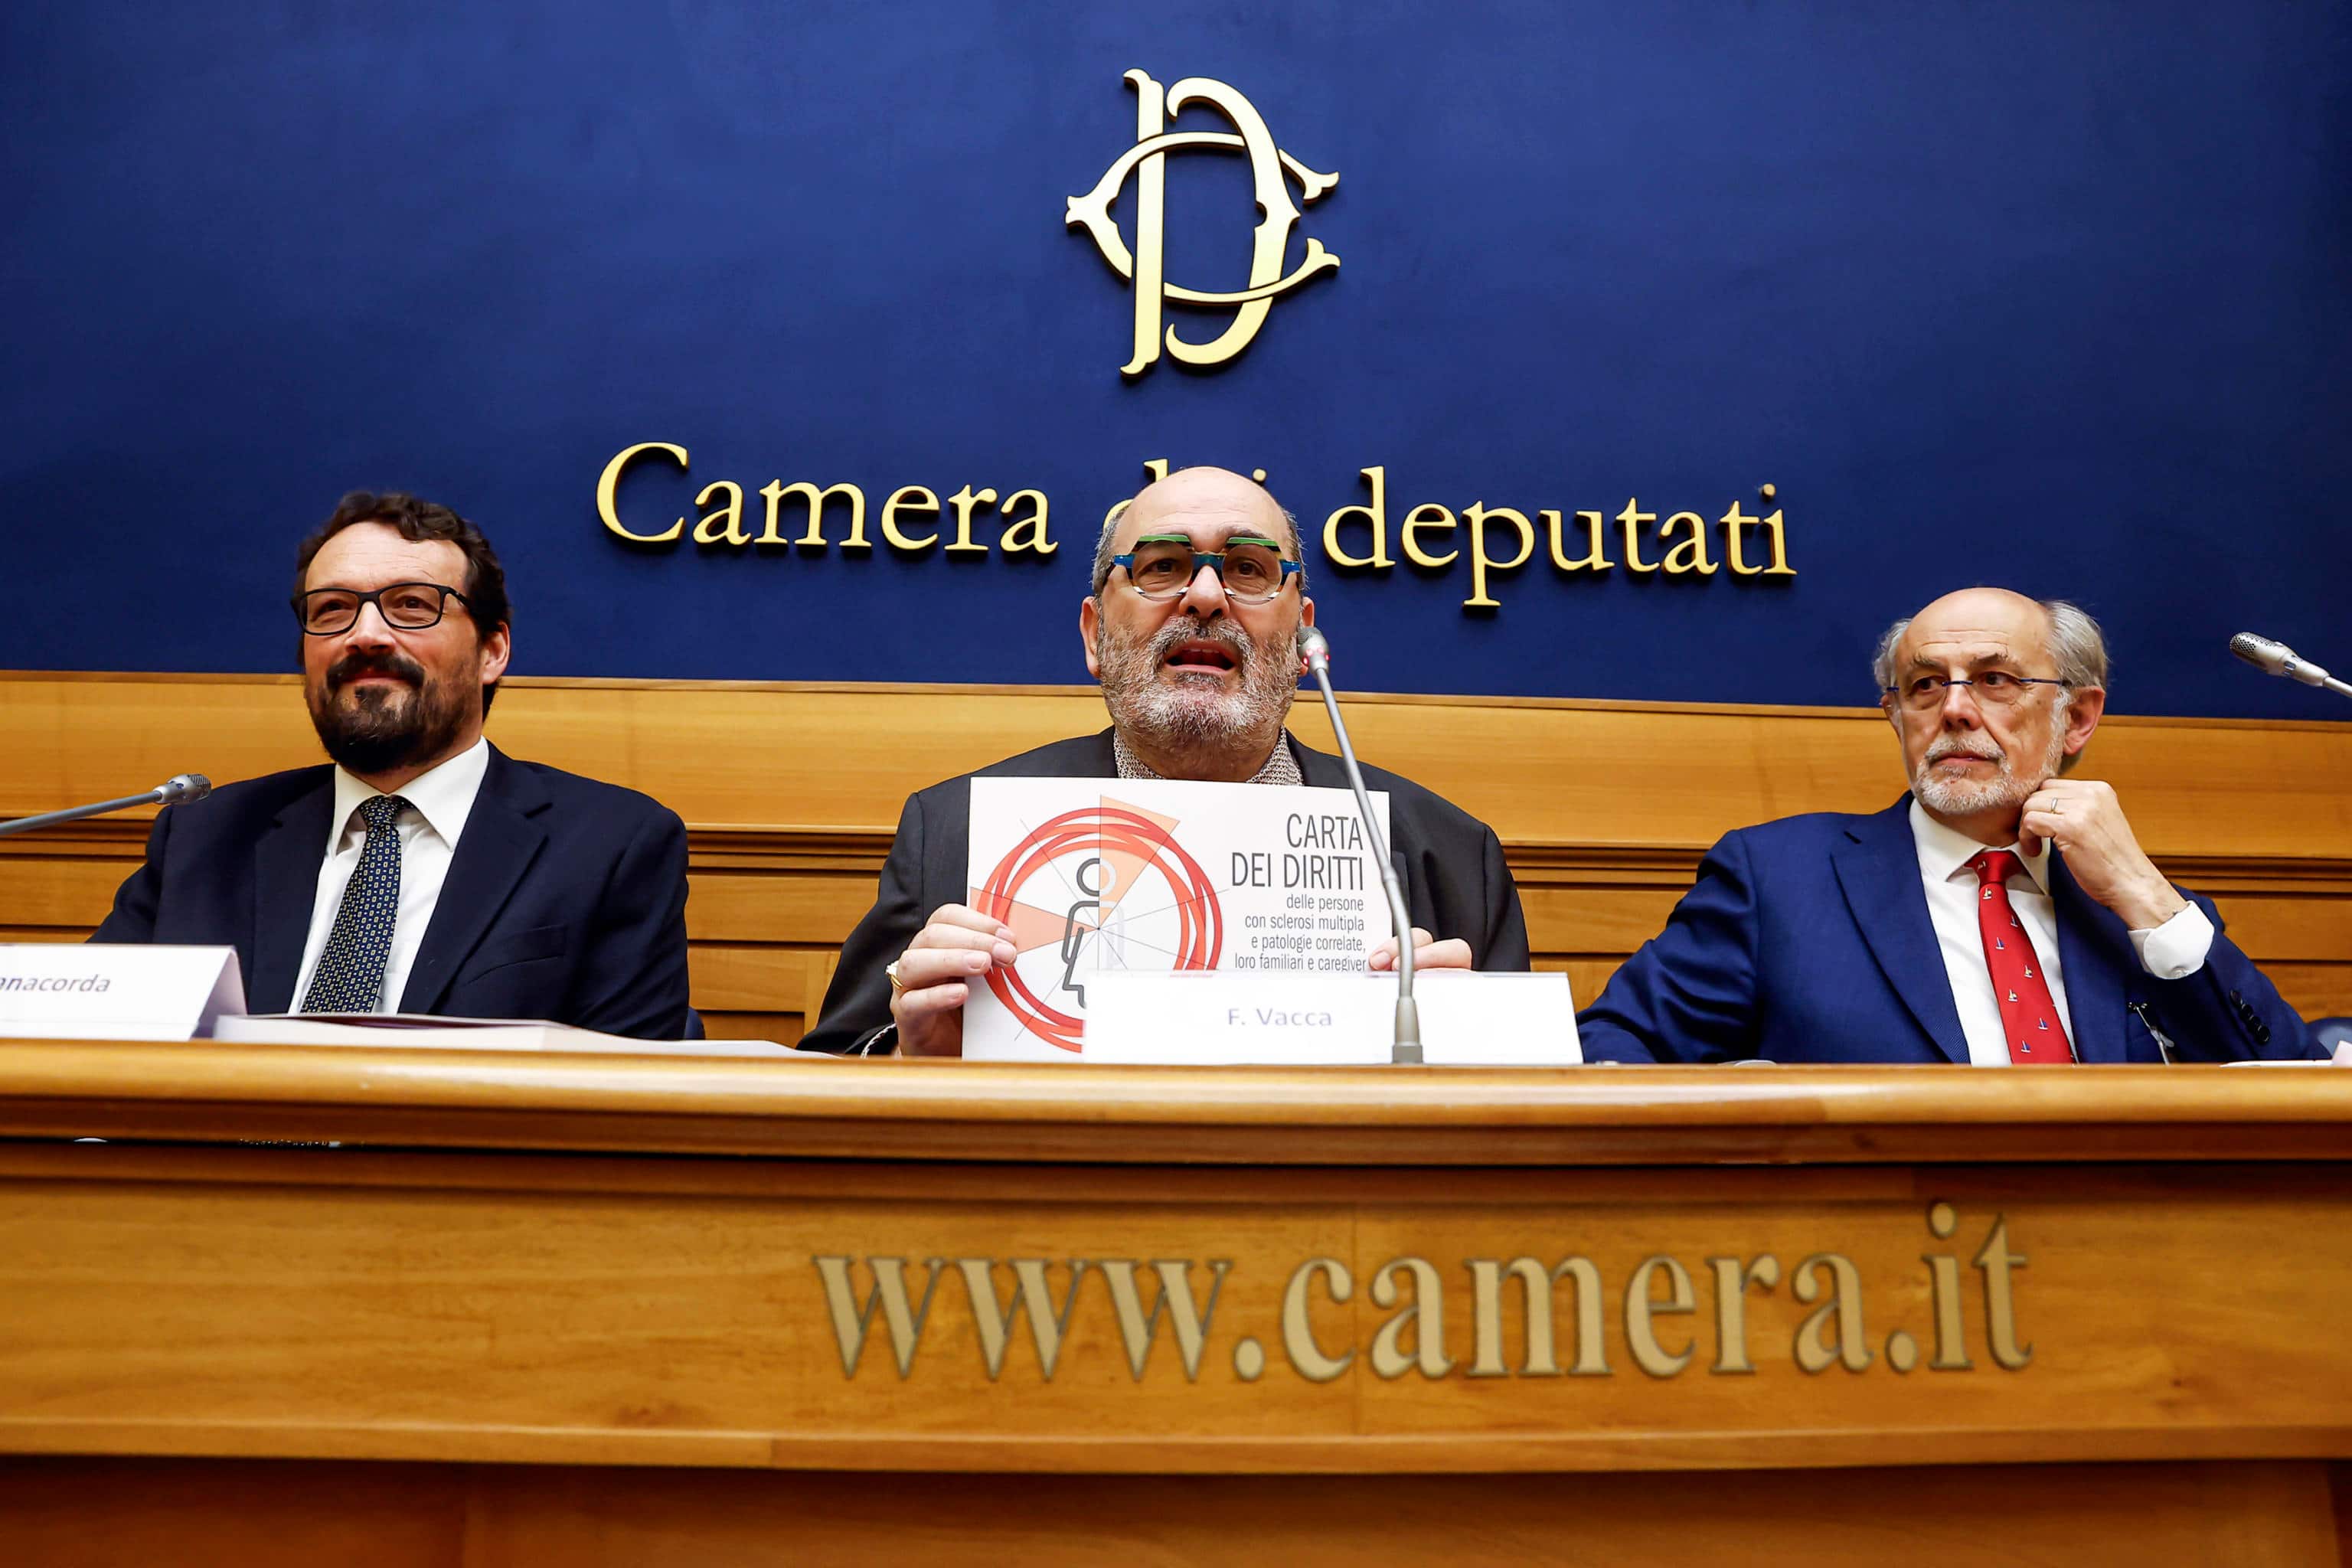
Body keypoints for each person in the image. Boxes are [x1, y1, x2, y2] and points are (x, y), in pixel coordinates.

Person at [799, 466, 1530, 1057]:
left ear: (1304, 636)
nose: (1206, 597)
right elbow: (826, 1092)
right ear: (1095, 635)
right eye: (1162, 566)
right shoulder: (953, 830)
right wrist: (916, 1056)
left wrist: (1472, 1051)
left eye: (1248, 568)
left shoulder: (1452, 857)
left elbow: (1527, 1138)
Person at [1576, 588, 2319, 1064]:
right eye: (1926, 685)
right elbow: (1607, 1049)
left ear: (2079, 716)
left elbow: (2292, 1088)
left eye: (1995, 679)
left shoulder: (2142, 913)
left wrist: (2142, 893)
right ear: (1896, 716)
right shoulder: (1777, 882)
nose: (1956, 709)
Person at [93, 492, 693, 1039]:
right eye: (332, 609)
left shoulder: (611, 844)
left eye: (412, 605)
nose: (366, 634)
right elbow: (85, 1041)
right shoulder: (205, 834)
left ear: (492, 651)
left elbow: (621, 1111)